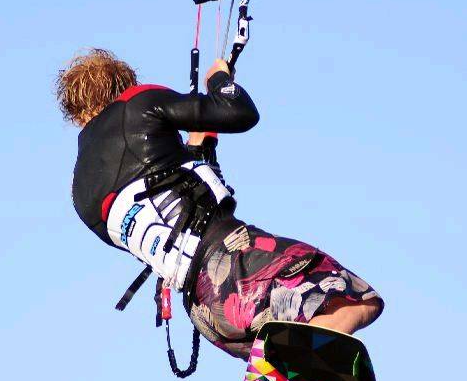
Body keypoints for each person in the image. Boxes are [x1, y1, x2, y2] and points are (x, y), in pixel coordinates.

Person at [57, 48, 383, 361]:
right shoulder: (137, 103)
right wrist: (219, 80)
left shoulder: (80, 193)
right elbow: (239, 111)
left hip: (208, 310)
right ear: (124, 87)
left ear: (76, 113)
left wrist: (198, 151)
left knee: (291, 337)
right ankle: (304, 374)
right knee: (352, 301)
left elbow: (164, 205)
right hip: (236, 262)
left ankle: (293, 380)